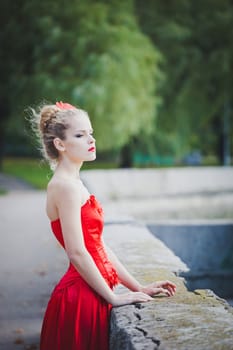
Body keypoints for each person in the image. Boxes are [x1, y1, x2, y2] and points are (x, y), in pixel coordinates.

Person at [32, 101, 176, 350]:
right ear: (60, 144)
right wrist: (113, 297)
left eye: (91, 133)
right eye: (80, 135)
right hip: (81, 299)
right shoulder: (64, 186)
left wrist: (137, 286)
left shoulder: (75, 182)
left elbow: (98, 246)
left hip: (93, 293)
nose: (91, 139)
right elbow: (76, 252)